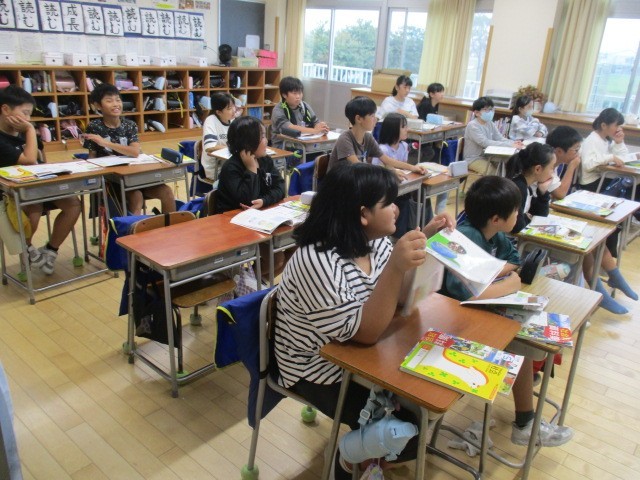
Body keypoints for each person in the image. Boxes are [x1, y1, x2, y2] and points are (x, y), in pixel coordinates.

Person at [274, 162, 453, 478]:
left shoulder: (374, 240)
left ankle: (369, 453)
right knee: (410, 428)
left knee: (429, 398)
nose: (397, 209)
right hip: (317, 369)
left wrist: (423, 241)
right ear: (363, 214)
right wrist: (396, 266)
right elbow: (365, 332)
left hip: (360, 356)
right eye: (389, 203)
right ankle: (349, 458)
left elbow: (396, 299)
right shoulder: (316, 259)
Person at [441, 176, 574, 448]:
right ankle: (525, 423)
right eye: (515, 211)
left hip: (479, 311)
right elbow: (466, 293)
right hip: (454, 322)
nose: (519, 216)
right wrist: (506, 283)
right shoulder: (466, 236)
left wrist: (490, 273)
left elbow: (514, 261)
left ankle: (526, 419)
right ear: (496, 219)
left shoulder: (496, 234)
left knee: (527, 336)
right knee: (519, 345)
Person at [546, 127, 637, 314]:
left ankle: (613, 277)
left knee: (594, 235)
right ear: (559, 151)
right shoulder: (548, 163)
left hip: (554, 210)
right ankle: (599, 289)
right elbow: (560, 193)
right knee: (585, 239)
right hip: (546, 216)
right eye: (575, 150)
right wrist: (572, 167)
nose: (577, 154)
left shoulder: (557, 162)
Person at [0, 85, 81, 275]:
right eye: (24, 113)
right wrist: (30, 129)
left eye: (29, 114)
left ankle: (51, 250)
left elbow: (40, 159)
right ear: (5, 109)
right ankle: (27, 249)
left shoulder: (24, 132)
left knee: (73, 204)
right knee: (34, 209)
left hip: (35, 185)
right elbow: (29, 160)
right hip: (9, 194)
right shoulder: (18, 133)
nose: (28, 119)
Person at [84, 83, 175, 216]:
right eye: (109, 101)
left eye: (118, 100)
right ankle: (134, 228)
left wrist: (105, 143)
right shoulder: (94, 127)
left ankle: (170, 225)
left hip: (136, 175)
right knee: (136, 196)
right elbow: (91, 157)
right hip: (113, 180)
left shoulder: (129, 125)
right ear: (98, 106)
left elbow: (134, 152)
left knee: (167, 192)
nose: (116, 104)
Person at [328, 96, 425, 177]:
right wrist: (389, 172)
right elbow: (357, 166)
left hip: (354, 181)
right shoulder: (345, 139)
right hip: (338, 185)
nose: (375, 119)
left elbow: (387, 160)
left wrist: (413, 168)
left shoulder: (368, 138)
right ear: (359, 119)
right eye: (372, 116)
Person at [579, 108, 639, 190]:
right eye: (616, 125)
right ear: (603, 125)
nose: (619, 129)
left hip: (602, 178)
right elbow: (587, 165)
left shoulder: (606, 139)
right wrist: (610, 157)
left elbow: (622, 157)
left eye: (620, 126)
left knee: (634, 185)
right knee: (633, 188)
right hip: (591, 183)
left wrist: (619, 142)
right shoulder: (592, 140)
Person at [463, 97, 524, 173]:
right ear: (476, 113)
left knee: (508, 164)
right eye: (486, 110)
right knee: (492, 172)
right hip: (474, 159)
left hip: (488, 155)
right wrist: (510, 145)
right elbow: (485, 142)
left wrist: (513, 143)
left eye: (492, 109)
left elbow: (500, 138)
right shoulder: (473, 126)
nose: (490, 112)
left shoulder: (490, 123)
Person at [506, 142, 556, 233]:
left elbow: (540, 216)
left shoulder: (527, 187)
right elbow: (517, 226)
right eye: (552, 168)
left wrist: (543, 192)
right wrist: (527, 217)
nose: (553, 173)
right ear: (538, 169)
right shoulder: (519, 188)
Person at [270, 76, 328, 149]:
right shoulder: (278, 109)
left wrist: (322, 128)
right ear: (284, 95)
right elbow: (291, 128)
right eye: (294, 93)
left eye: (300, 93)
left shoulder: (305, 106)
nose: (298, 96)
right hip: (283, 146)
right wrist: (315, 131)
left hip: (303, 143)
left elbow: (316, 122)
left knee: (323, 152)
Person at [200, 92, 236, 181]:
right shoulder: (211, 121)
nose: (234, 110)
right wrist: (232, 148)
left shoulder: (233, 121)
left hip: (229, 163)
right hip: (216, 169)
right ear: (218, 112)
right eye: (229, 108)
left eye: (233, 106)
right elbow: (209, 147)